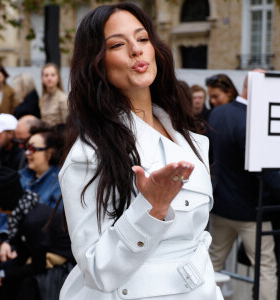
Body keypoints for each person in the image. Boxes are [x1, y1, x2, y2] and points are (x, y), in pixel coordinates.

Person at [59, 3, 223, 300]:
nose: (136, 50)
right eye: (118, 44)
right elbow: (96, 270)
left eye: (143, 39)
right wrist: (151, 210)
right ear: (97, 63)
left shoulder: (192, 140)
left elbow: (197, 243)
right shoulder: (89, 155)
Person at [208, 70, 277, 300]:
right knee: (265, 266)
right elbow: (262, 172)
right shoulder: (254, 120)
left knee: (211, 264)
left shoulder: (218, 113)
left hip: (221, 206)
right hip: (251, 209)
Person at [0, 167, 74, 300]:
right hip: (40, 257)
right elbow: (24, 254)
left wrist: (1, 276)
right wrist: (1, 274)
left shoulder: (32, 220)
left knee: (21, 284)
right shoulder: (25, 207)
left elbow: (38, 265)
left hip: (63, 266)